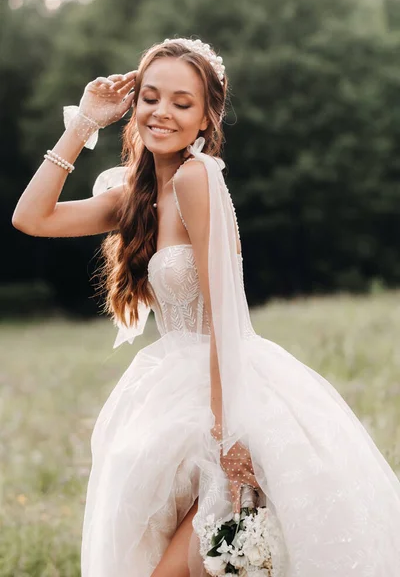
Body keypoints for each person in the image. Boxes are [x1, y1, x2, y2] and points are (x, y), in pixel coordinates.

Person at [12, 37, 400, 577]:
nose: (161, 112)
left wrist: (230, 437)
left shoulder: (199, 180)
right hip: (169, 396)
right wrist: (83, 123)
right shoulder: (135, 193)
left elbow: (225, 318)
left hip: (225, 396)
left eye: (181, 102)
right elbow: (32, 218)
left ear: (206, 117)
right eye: (150, 97)